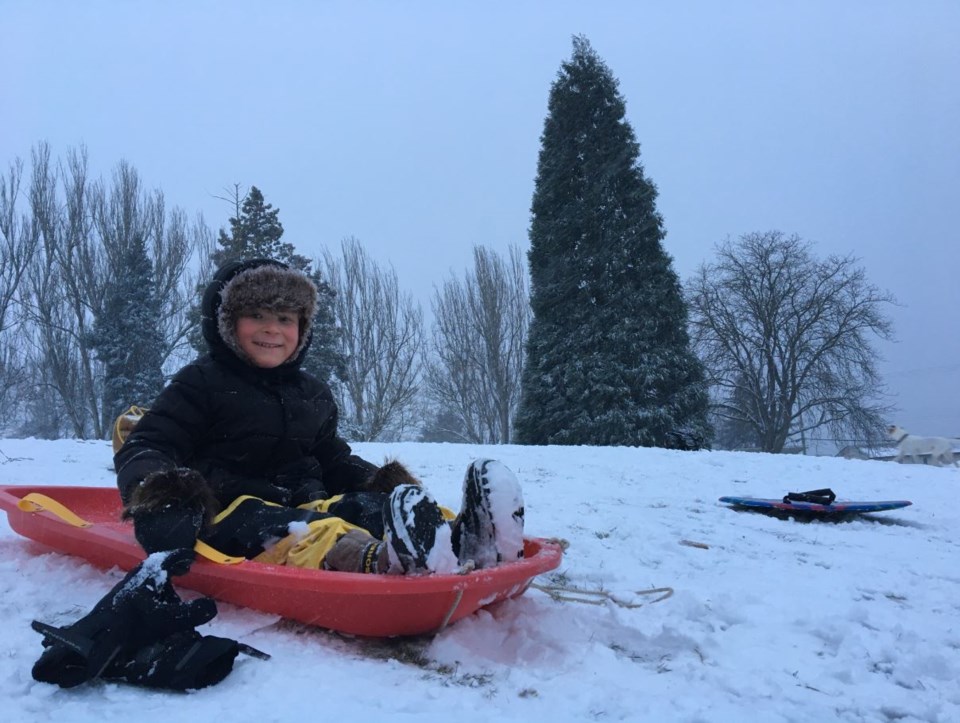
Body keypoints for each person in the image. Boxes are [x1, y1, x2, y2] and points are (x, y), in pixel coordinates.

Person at [114, 258, 526, 576]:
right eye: (256, 315)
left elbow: (331, 457)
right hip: (231, 512)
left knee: (367, 508)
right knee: (309, 531)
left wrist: (380, 488)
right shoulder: (200, 382)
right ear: (226, 323)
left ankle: (464, 538)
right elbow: (150, 443)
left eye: (285, 319)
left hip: (309, 499)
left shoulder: (311, 392)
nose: (272, 330)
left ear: (303, 328)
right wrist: (162, 498)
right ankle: (378, 560)